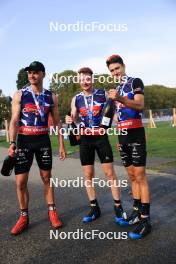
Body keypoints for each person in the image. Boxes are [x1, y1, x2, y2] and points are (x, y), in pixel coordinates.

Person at [8, 61, 66, 235]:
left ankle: (52, 212)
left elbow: (57, 122)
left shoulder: (51, 96)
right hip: (24, 141)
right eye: (29, 73)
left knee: (47, 178)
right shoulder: (20, 94)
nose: (32, 75)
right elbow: (14, 121)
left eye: (35, 72)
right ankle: (23, 217)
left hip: (42, 141)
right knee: (20, 182)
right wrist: (12, 142)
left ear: (43, 74)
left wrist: (61, 145)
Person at [65, 67, 126, 223]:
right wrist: (70, 120)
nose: (85, 81)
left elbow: (113, 114)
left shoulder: (102, 94)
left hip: (101, 138)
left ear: (91, 79)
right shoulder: (76, 98)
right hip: (85, 139)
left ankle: (118, 208)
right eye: (82, 79)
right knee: (88, 175)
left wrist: (120, 129)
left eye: (87, 78)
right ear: (79, 81)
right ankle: (94, 208)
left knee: (110, 173)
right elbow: (74, 117)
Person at [106, 54, 151, 239]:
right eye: (112, 71)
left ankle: (145, 220)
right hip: (122, 135)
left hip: (136, 133)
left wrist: (121, 99)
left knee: (140, 176)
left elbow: (140, 105)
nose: (115, 72)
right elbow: (117, 116)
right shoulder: (115, 89)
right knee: (131, 176)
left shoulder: (135, 82)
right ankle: (136, 211)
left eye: (117, 68)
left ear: (123, 66)